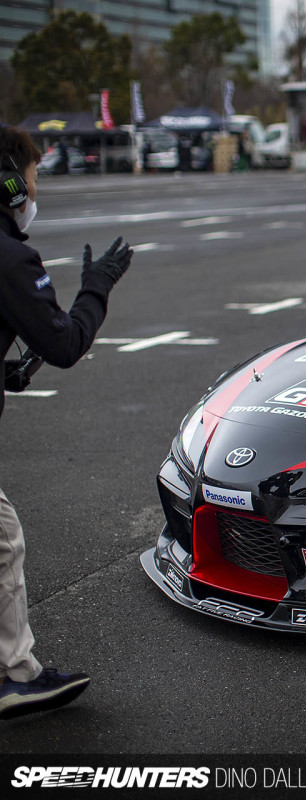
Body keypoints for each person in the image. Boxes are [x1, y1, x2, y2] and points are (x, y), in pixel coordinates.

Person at [0, 125, 133, 719]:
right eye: (29, 179)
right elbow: (64, 341)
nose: (32, 191)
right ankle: (13, 675)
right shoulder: (9, 253)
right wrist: (96, 288)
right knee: (3, 542)